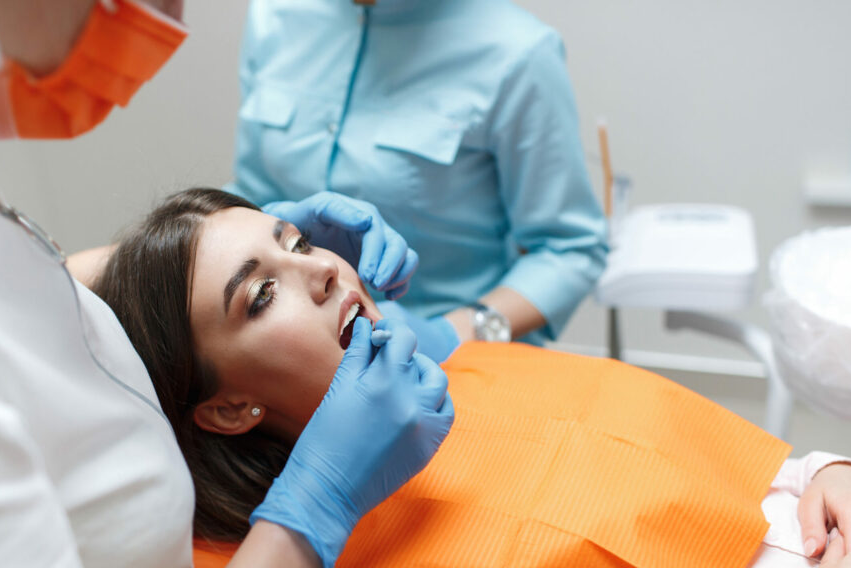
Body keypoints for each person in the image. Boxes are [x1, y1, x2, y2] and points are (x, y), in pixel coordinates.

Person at [89, 188, 851, 568]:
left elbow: (707, 459)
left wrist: (821, 472)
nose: (323, 268)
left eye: (296, 241)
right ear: (229, 410)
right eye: (260, 296)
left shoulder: (482, 372)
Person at [0, 2, 453, 568]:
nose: (169, 17)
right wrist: (313, 510)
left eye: (300, 243)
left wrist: (240, 252)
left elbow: (15, 284)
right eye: (261, 299)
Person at [228, 0, 608, 360]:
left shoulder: (517, 51)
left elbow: (571, 247)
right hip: (294, 356)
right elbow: (249, 194)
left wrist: (458, 332)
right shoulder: (275, 12)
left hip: (452, 361)